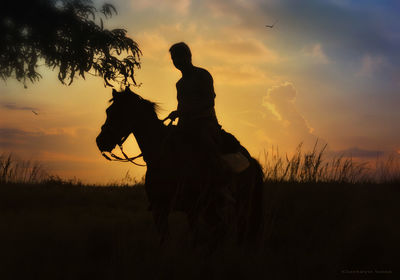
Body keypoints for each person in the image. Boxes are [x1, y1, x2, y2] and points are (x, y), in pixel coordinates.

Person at [164, 42, 222, 173]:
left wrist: (181, 112)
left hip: (205, 123)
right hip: (185, 125)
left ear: (188, 56)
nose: (176, 61)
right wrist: (178, 114)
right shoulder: (180, 84)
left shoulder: (203, 75)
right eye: (173, 58)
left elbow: (209, 101)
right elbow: (182, 105)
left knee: (207, 145)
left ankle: (220, 178)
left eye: (178, 57)